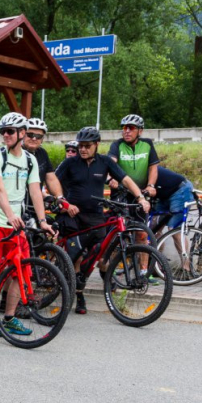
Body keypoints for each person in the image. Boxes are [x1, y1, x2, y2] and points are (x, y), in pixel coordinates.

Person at [55, 126, 150, 314]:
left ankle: (83, 283)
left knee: (99, 254)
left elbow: (126, 179)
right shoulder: (70, 163)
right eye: (80, 146)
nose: (82, 149)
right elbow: (52, 181)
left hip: (95, 216)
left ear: (97, 145)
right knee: (76, 255)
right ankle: (77, 296)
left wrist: (140, 198)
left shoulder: (105, 162)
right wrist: (62, 202)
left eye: (87, 146)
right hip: (73, 215)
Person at [0, 113, 55, 337]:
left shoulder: (30, 160)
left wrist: (42, 221)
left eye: (10, 131)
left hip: (15, 224)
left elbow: (35, 191)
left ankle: (9, 318)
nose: (5, 135)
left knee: (20, 271)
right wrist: (10, 214)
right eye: (3, 131)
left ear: (22, 133)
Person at [108, 115, 160, 198]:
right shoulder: (117, 145)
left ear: (140, 131)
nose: (127, 131)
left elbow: (153, 168)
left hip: (142, 191)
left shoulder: (147, 144)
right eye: (125, 128)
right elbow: (110, 163)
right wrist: (111, 179)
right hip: (121, 192)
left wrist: (150, 185)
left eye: (131, 128)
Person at [22, 118, 64, 198]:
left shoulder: (42, 153)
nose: (34, 138)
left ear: (42, 139)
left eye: (38, 136)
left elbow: (51, 179)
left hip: (35, 204)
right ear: (23, 135)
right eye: (30, 135)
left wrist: (59, 198)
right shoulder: (16, 153)